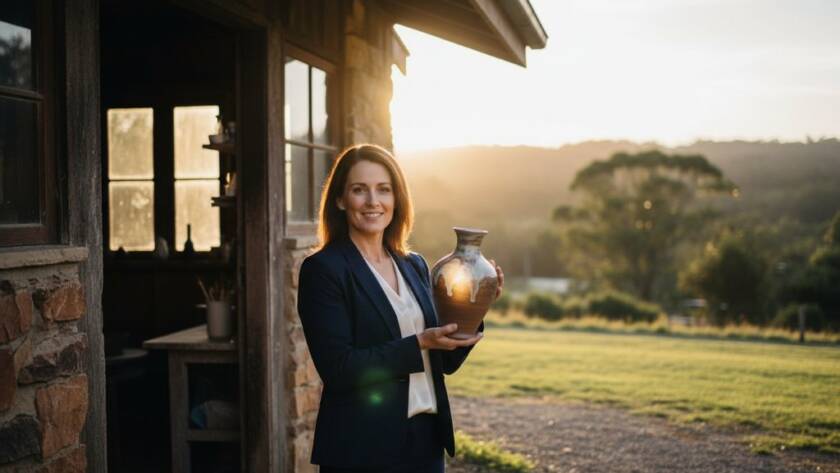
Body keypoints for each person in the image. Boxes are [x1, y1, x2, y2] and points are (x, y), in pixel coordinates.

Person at [297, 144, 504, 472]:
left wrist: (475, 312)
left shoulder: (415, 265)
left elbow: (444, 361)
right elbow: (339, 369)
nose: (373, 201)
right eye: (359, 190)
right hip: (361, 447)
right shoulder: (324, 270)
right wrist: (420, 342)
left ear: (397, 199)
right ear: (339, 200)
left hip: (425, 442)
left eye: (384, 190)